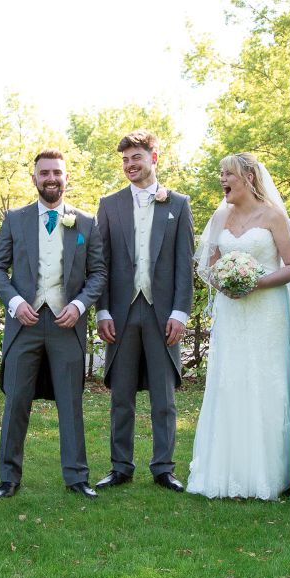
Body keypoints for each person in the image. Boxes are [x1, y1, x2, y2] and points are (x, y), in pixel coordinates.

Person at [0, 150, 106, 499]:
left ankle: (77, 477)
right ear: (34, 178)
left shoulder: (86, 222)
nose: (51, 178)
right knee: (16, 401)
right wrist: (15, 302)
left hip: (66, 324)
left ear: (67, 178)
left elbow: (98, 272)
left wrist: (80, 305)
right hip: (24, 323)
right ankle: (8, 478)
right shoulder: (15, 219)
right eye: (44, 173)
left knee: (71, 402)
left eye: (57, 172)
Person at [187, 152, 290, 500]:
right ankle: (226, 470)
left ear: (248, 177)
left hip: (267, 311)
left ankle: (272, 472)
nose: (222, 180)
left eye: (228, 174)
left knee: (267, 381)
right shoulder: (220, 216)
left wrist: (256, 283)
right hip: (232, 313)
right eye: (221, 174)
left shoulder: (273, 215)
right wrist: (226, 284)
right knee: (230, 381)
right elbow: (209, 265)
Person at [94, 130, 194, 493]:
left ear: (154, 158)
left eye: (136, 157)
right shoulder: (109, 204)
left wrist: (181, 312)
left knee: (163, 397)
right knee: (121, 396)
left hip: (161, 312)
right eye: (124, 160)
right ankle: (120, 466)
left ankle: (163, 467)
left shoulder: (178, 204)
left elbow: (185, 263)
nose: (129, 165)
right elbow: (99, 263)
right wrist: (102, 310)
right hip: (120, 313)